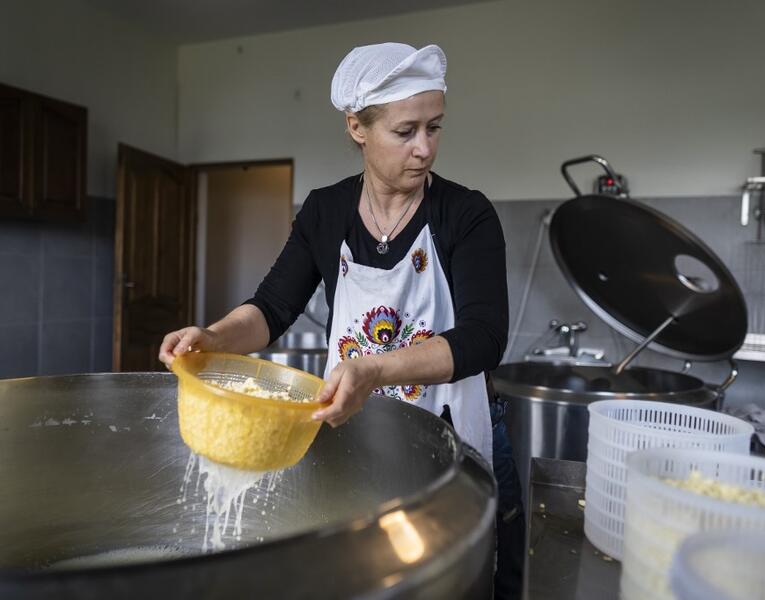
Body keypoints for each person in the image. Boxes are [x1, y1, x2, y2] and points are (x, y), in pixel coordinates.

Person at [159, 42, 524, 599]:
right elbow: (271, 308)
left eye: (435, 127)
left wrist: (373, 370)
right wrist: (213, 337)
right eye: (406, 132)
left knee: (457, 579)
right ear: (357, 127)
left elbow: (484, 339)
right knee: (360, 572)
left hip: (453, 439)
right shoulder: (325, 212)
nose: (425, 148)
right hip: (353, 433)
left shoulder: (465, 214)